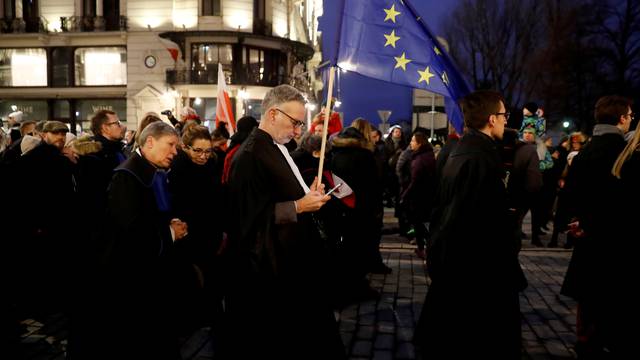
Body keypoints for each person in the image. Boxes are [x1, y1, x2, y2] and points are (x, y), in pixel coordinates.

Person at [225, 84, 345, 359]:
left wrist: (307, 192)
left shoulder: (276, 147)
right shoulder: (251, 155)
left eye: (300, 123)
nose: (298, 130)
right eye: (295, 122)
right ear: (273, 114)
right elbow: (246, 219)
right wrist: (299, 205)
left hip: (294, 263)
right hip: (272, 274)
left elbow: (282, 191)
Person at [414, 90, 527, 358]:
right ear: (491, 119)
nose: (505, 121)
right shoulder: (480, 157)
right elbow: (477, 219)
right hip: (479, 273)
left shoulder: (462, 150)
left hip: (461, 266)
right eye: (503, 115)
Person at [92, 121, 188, 360]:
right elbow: (132, 234)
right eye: (171, 145)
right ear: (150, 142)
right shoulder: (128, 177)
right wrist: (171, 233)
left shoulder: (148, 171)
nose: (175, 152)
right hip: (133, 282)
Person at [561, 95, 633, 358]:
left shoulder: (586, 150)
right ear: (622, 118)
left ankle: (585, 341)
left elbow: (570, 195)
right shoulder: (623, 152)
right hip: (613, 239)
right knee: (611, 299)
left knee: (588, 300)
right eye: (630, 116)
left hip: (586, 237)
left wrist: (577, 221)